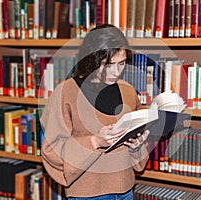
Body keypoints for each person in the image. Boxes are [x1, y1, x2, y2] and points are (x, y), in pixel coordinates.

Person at [40, 24, 150, 199]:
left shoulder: (128, 91)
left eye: (121, 63)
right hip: (88, 194)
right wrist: (95, 140)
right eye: (108, 65)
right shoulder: (66, 92)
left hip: (125, 189)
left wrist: (136, 148)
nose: (115, 72)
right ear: (91, 59)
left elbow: (137, 152)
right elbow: (51, 150)